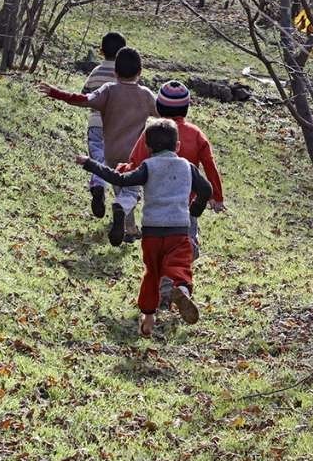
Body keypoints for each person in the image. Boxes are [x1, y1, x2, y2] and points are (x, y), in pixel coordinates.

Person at [76, 118, 212, 337]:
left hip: (152, 232)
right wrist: (195, 209)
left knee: (152, 274)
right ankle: (182, 289)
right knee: (179, 262)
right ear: (177, 146)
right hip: (178, 228)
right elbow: (206, 189)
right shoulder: (187, 167)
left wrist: (89, 163)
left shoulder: (148, 166)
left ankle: (148, 318)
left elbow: (119, 177)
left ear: (147, 148)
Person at [39, 47, 157, 245]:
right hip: (135, 156)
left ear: (115, 72)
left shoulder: (108, 90)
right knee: (130, 193)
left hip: (110, 155)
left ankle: (128, 229)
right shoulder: (146, 95)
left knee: (121, 188)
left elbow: (83, 100)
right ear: (140, 72)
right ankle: (123, 215)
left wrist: (56, 93)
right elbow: (165, 113)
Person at [122, 81, 224, 259]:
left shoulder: (152, 132)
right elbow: (209, 165)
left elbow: (135, 162)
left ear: (159, 107)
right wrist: (216, 196)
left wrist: (122, 170)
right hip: (186, 202)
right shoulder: (196, 134)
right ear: (186, 108)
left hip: (157, 202)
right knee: (186, 235)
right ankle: (187, 253)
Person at [80, 33, 127, 218]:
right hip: (118, 126)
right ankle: (122, 204)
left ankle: (98, 184)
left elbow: (85, 93)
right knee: (116, 163)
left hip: (96, 124)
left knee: (99, 157)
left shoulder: (96, 72)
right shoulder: (124, 76)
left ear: (101, 51)